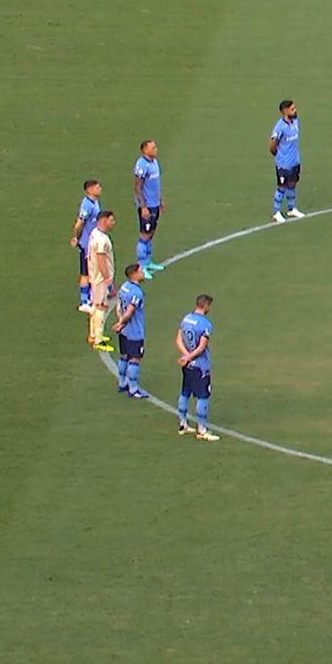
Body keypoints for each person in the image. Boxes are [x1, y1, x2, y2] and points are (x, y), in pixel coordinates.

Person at [175, 294, 220, 441]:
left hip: (187, 365)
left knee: (185, 392)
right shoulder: (205, 324)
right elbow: (201, 347)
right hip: (200, 366)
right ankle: (202, 429)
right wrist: (190, 357)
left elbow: (178, 339)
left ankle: (183, 424)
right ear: (206, 306)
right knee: (203, 396)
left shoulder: (186, 319)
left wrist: (185, 356)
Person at [111, 264, 149, 399]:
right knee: (134, 359)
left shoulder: (124, 287)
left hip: (124, 332)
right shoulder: (136, 292)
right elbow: (130, 311)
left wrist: (120, 322)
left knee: (124, 356)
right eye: (140, 271)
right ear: (134, 274)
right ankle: (133, 389)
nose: (143, 273)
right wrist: (122, 323)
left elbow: (119, 306)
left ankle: (122, 383)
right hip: (134, 332)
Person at [269, 99, 306, 223]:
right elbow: (272, 145)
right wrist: (279, 156)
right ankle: (276, 212)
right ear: (285, 111)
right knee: (282, 187)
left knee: (292, 184)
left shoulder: (296, 122)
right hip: (283, 164)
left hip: (295, 161)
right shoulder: (280, 127)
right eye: (292, 109)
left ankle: (291, 209)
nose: (295, 111)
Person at [132, 140, 165, 276]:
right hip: (147, 206)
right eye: (153, 147)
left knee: (151, 233)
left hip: (155, 204)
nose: (156, 149)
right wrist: (143, 206)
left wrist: (160, 200)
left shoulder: (154, 163)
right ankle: (141, 266)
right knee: (144, 234)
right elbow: (137, 187)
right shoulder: (142, 165)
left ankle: (148, 261)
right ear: (145, 150)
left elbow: (157, 184)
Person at [86, 211, 117, 352]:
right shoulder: (101, 240)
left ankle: (93, 335)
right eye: (111, 220)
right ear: (104, 220)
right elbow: (101, 259)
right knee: (101, 306)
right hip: (100, 278)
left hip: (95, 275)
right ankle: (98, 339)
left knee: (96, 304)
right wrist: (108, 280)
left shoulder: (95, 233)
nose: (113, 223)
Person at [71, 179, 103, 313]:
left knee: (92, 270)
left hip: (93, 242)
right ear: (89, 190)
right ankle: (84, 302)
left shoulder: (94, 202)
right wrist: (77, 238)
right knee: (85, 272)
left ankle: (90, 297)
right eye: (97, 187)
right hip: (87, 244)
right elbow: (79, 224)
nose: (100, 189)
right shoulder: (87, 205)